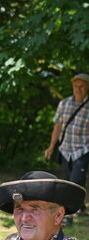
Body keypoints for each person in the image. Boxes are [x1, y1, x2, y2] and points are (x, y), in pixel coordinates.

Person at [44, 72, 89, 225]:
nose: (78, 89)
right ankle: (81, 207)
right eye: (76, 86)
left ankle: (68, 215)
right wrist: (51, 147)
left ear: (87, 87)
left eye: (82, 86)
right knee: (70, 180)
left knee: (76, 180)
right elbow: (57, 127)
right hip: (65, 149)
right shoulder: (64, 104)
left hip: (83, 149)